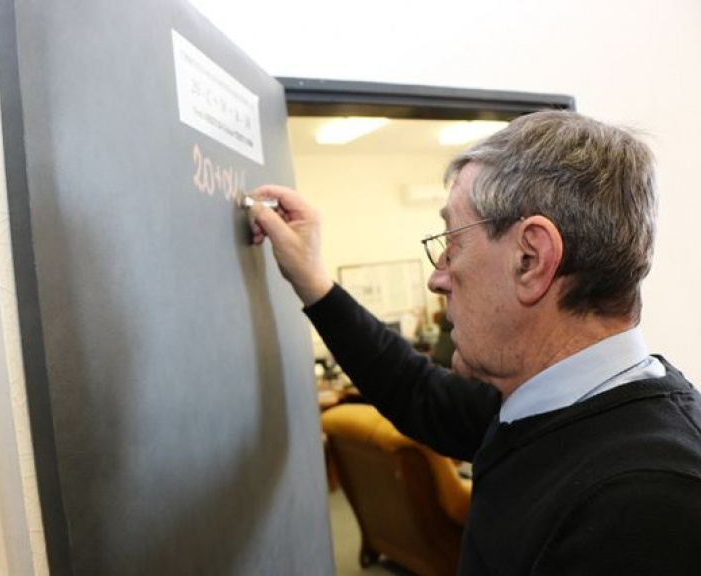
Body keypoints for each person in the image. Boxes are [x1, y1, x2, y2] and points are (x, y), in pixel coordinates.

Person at [249, 110, 701, 575]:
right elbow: (414, 389)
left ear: (531, 259)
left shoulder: (655, 503)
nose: (436, 278)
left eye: (453, 242)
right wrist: (313, 281)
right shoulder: (534, 403)